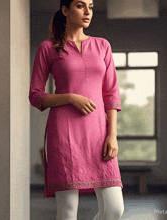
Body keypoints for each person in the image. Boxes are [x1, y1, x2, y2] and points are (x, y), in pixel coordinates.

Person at [29, 0, 124, 219]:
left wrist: (112, 135)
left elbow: (111, 94)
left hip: (100, 134)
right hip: (65, 134)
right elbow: (35, 96)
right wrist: (70, 98)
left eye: (90, 6)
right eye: (80, 6)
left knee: (114, 209)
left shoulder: (102, 45)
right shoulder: (48, 47)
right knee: (68, 210)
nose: (88, 12)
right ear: (65, 10)